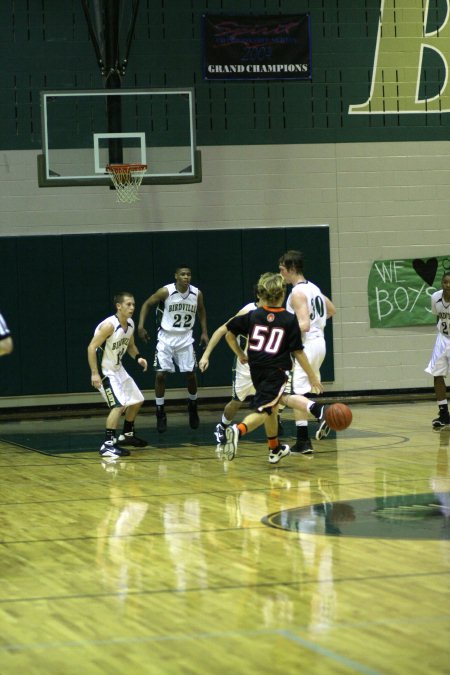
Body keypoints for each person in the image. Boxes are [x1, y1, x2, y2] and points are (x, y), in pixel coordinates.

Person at [218, 272, 325, 464]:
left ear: (262, 293)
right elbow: (298, 352)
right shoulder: (288, 320)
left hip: (256, 370)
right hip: (276, 371)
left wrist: (240, 354)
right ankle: (237, 430)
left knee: (272, 407)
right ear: (282, 295)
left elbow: (228, 335)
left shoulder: (252, 316)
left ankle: (274, 448)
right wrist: (312, 377)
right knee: (265, 410)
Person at [199, 294, 285, 443]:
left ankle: (274, 438)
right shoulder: (249, 311)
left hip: (267, 365)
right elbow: (222, 331)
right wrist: (206, 355)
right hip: (246, 366)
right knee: (237, 401)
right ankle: (223, 426)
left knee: (277, 397)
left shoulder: (276, 311)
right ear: (259, 295)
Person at [279, 250, 336, 455]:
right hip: (320, 342)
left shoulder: (297, 293)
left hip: (307, 344)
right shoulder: (314, 288)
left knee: (292, 394)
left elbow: (302, 325)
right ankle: (303, 441)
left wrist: (282, 331)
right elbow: (331, 310)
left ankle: (322, 413)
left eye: (282, 269)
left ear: (292, 268)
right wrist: (317, 322)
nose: (281, 274)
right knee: (300, 392)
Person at [138, 265, 209, 432]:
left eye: (189, 274)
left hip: (185, 337)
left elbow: (201, 310)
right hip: (166, 337)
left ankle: (193, 405)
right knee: (161, 375)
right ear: (176, 276)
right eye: (183, 274)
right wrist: (140, 326)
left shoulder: (196, 293)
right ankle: (160, 411)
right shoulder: (166, 291)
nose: (186, 277)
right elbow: (147, 304)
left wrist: (204, 331)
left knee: (191, 375)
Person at [87, 292, 148, 458]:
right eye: (128, 304)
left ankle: (127, 435)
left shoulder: (130, 324)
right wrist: (95, 373)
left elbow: (130, 346)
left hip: (118, 369)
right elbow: (91, 348)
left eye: (134, 304)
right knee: (118, 405)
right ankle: (107, 445)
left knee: (138, 400)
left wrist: (139, 357)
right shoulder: (109, 325)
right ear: (118, 306)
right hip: (105, 371)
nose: (132, 308)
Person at [425, 271, 450, 430]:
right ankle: (444, 414)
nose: (448, 285)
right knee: (437, 374)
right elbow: (438, 317)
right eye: (445, 282)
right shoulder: (435, 297)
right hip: (442, 338)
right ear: (442, 283)